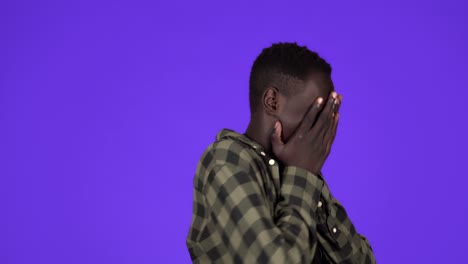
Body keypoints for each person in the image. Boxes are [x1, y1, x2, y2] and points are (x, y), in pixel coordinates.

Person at [186, 42, 376, 263]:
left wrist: (307, 177)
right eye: (317, 115)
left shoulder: (298, 170)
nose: (324, 130)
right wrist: (303, 174)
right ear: (272, 101)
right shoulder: (227, 160)